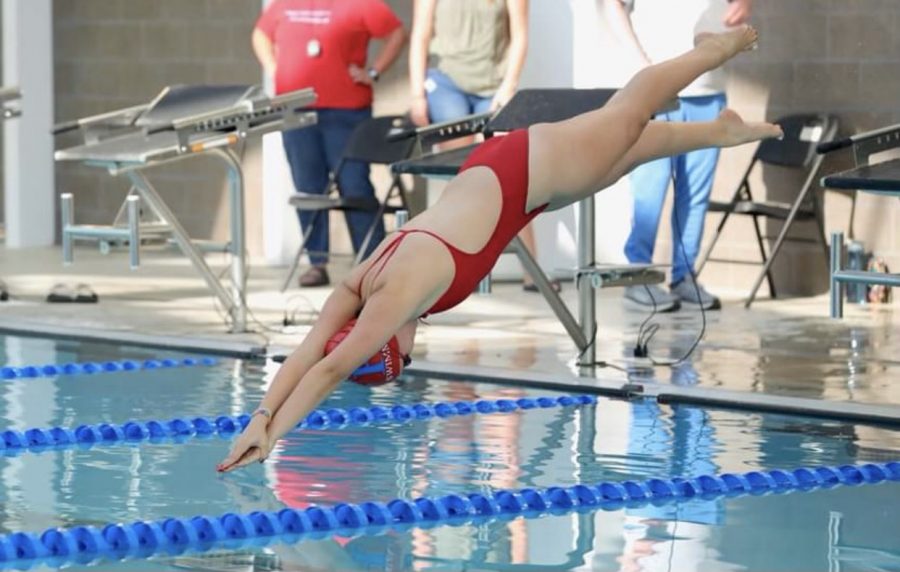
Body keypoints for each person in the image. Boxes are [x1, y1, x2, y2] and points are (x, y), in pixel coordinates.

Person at [219, 26, 781, 472]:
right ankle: (718, 132)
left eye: (404, 357)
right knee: (621, 156)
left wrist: (272, 439)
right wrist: (261, 415)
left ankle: (713, 50)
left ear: (386, 340)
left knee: (626, 117)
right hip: (507, 180)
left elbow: (331, 366)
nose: (414, 349)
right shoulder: (356, 286)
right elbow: (311, 349)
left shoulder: (394, 298)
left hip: (525, 172)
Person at [606, 0, 754, 311]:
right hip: (657, 88)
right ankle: (637, 276)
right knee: (650, 188)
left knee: (695, 195)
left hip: (707, 90)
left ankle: (683, 276)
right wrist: (642, 64)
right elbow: (613, 5)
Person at [253, 0, 407, 288]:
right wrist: (274, 68)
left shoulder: (362, 4)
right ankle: (317, 263)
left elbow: (397, 33)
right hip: (297, 110)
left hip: (347, 112)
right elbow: (260, 34)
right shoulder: (285, 4)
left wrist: (373, 72)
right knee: (308, 186)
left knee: (355, 185)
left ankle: (371, 265)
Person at [408, 0, 555, 292]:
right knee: (463, 174)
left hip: (493, 86)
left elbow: (519, 35)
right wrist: (416, 95)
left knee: (514, 174)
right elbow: (420, 35)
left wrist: (508, 86)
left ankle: (532, 272)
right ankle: (460, 271)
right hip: (447, 81)